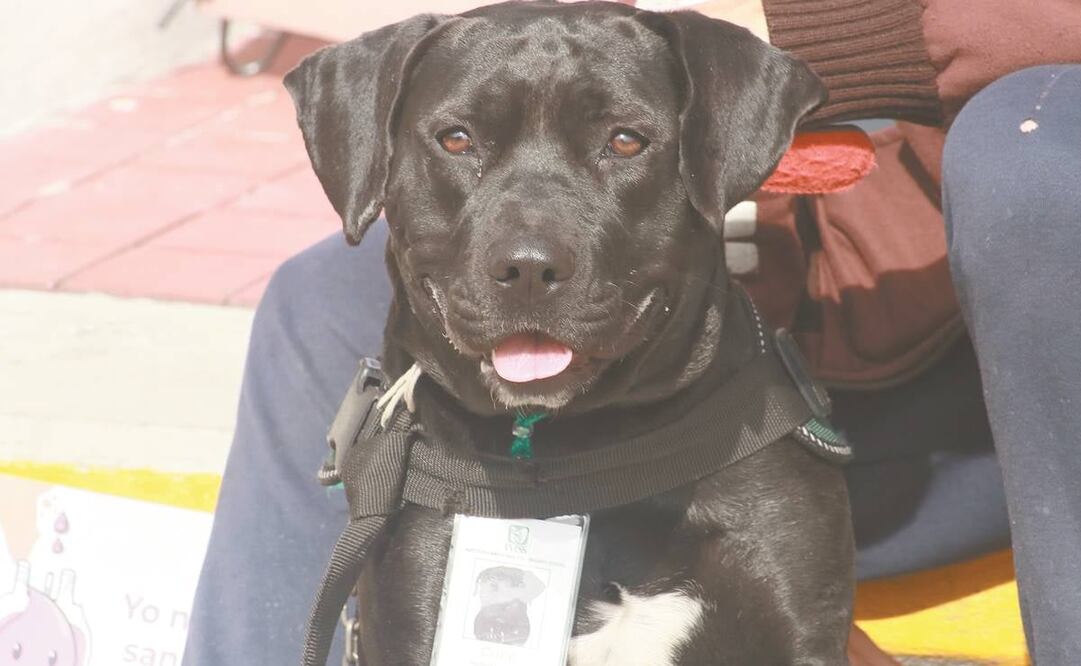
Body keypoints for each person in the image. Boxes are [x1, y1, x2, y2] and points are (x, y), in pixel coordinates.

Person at [181, 1, 1081, 664]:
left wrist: (788, 26)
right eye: (459, 142)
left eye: (617, 142)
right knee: (316, 295)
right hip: (709, 307)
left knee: (1034, 152)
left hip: (962, 398)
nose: (525, 256)